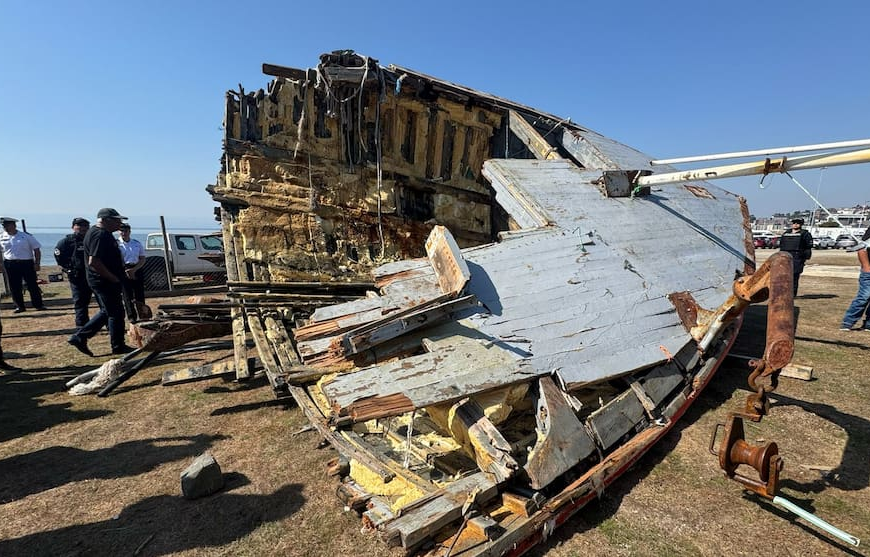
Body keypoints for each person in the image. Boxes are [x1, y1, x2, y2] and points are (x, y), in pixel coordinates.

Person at [67, 208, 135, 356]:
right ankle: (85, 337)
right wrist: (113, 278)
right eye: (117, 221)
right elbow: (94, 261)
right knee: (115, 313)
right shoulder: (100, 235)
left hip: (103, 279)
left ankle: (83, 337)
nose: (120, 224)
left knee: (109, 311)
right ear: (106, 220)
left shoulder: (100, 233)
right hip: (104, 280)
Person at [0, 216, 45, 312]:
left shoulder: (25, 236)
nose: (6, 227)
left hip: (26, 263)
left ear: (14, 225)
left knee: (32, 285)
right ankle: (19, 306)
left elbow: (36, 249)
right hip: (10, 263)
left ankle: (38, 305)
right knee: (14, 286)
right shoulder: (1, 237)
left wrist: (37, 263)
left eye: (8, 225)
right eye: (4, 226)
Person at [54, 217, 93, 327]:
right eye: (79, 225)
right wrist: (68, 268)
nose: (82, 228)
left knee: (102, 301)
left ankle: (108, 325)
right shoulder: (66, 241)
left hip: (93, 275)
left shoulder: (92, 240)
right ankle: (82, 326)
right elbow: (58, 255)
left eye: (85, 226)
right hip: (77, 276)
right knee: (80, 301)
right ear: (73, 227)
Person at [839, 225, 870, 331]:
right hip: (868, 272)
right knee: (864, 297)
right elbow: (862, 249)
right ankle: (848, 322)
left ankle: (868, 324)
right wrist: (866, 267)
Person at [117, 222, 147, 321]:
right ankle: (132, 316)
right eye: (121, 231)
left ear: (129, 232)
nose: (124, 233)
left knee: (140, 294)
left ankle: (143, 315)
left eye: (125, 231)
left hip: (137, 268)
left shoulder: (136, 243)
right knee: (127, 295)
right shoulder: (116, 244)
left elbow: (142, 258)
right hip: (123, 269)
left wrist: (134, 270)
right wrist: (126, 270)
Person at [778, 217, 813, 296]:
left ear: (801, 224)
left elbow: (808, 247)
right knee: (784, 275)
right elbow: (782, 244)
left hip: (798, 257)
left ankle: (792, 293)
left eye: (797, 223)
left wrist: (804, 257)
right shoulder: (786, 233)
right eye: (794, 223)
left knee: (794, 275)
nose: (795, 224)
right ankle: (784, 292)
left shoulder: (805, 234)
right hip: (786, 255)